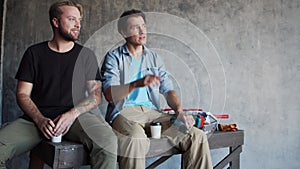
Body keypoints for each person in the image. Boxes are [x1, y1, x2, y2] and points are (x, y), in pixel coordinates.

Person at [0, 1, 117, 169]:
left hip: (76, 118)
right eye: (71, 19)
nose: (78, 25)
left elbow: (96, 96)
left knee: (107, 141)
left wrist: (71, 114)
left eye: (79, 20)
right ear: (55, 22)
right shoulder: (34, 53)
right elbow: (22, 94)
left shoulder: (86, 55)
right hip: (36, 120)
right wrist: (39, 119)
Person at [101, 9, 213, 169]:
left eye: (143, 26)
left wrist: (179, 111)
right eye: (135, 27)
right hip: (124, 112)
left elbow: (168, 90)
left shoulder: (154, 58)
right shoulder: (114, 57)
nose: (142, 31)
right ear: (123, 32)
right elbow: (109, 95)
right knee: (136, 139)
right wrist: (136, 83)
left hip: (153, 113)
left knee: (197, 136)